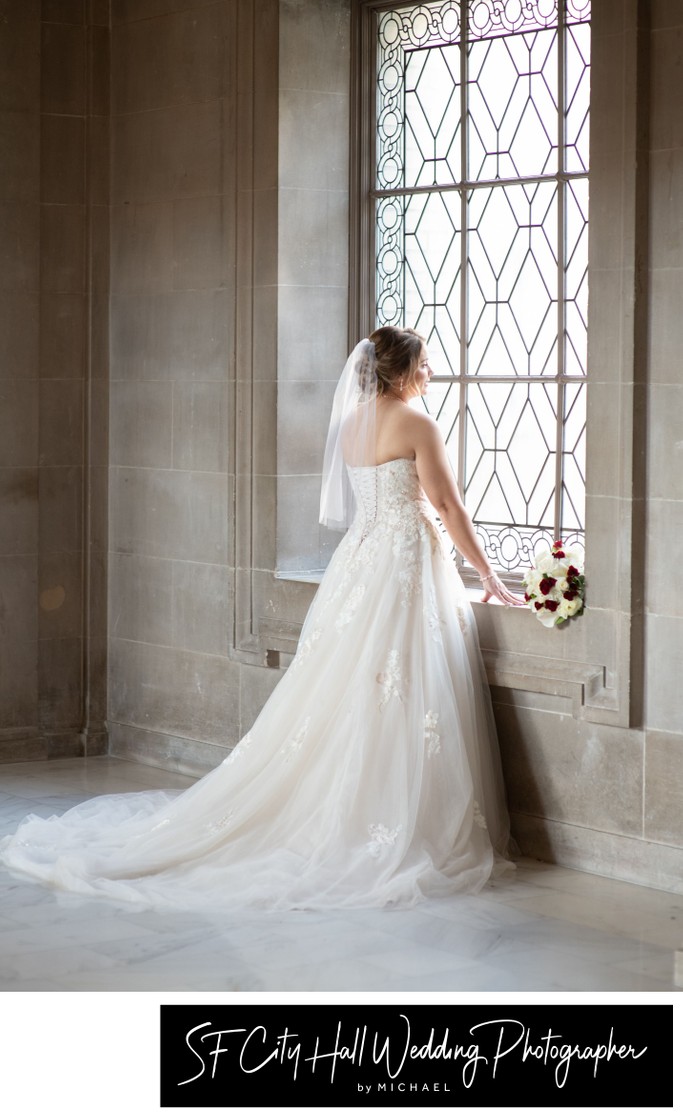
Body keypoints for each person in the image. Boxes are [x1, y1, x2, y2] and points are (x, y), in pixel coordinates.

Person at [0, 327, 520, 911]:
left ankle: (358, 806)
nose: (432, 374)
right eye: (426, 364)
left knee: (354, 688)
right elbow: (447, 506)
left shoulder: (353, 424)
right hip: (402, 565)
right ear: (400, 372)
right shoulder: (418, 423)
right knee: (395, 689)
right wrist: (492, 576)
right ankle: (390, 817)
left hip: (362, 560)